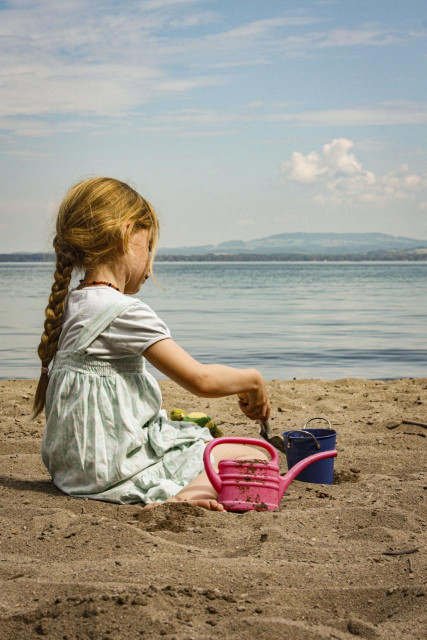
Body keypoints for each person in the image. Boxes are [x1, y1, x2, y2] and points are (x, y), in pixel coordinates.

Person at [31, 177, 270, 511]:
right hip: (116, 469)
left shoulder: (70, 305)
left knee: (190, 432)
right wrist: (253, 381)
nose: (151, 261)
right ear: (127, 235)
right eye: (150, 247)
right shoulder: (123, 311)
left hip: (72, 471)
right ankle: (189, 495)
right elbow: (200, 380)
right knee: (253, 455)